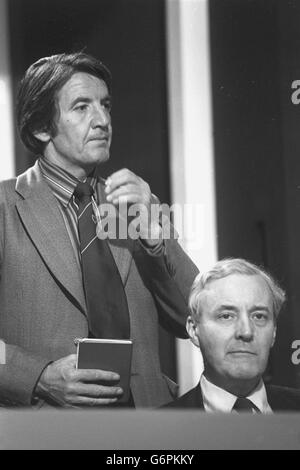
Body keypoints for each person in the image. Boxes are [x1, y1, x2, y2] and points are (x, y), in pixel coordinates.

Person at [0, 52, 198, 408]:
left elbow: (192, 318)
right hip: (46, 430)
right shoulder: (4, 206)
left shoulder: (135, 204)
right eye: (81, 107)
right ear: (40, 127)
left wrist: (155, 234)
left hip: (142, 428)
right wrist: (38, 376)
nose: (103, 120)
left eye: (105, 105)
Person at [165, 258, 300, 412]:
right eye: (226, 316)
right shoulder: (158, 429)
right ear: (194, 330)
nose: (246, 332)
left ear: (274, 331)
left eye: (259, 316)